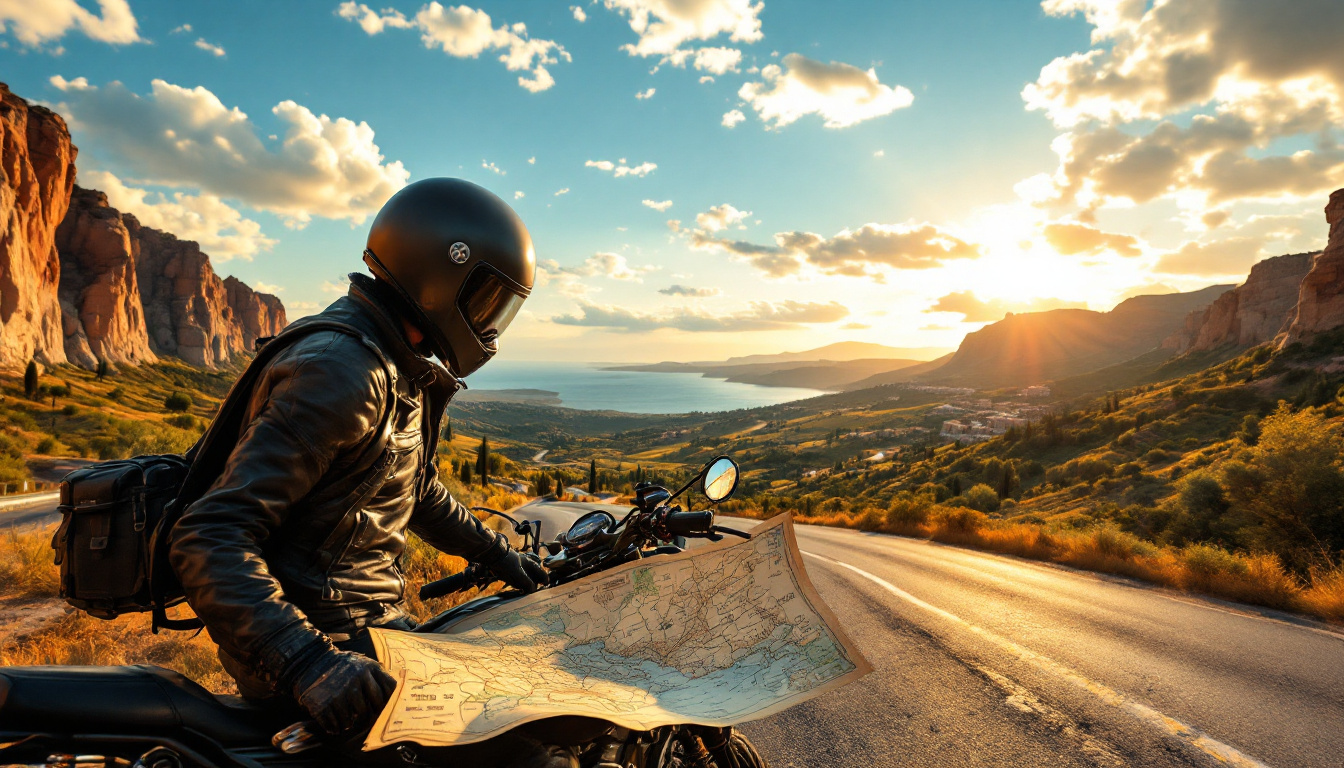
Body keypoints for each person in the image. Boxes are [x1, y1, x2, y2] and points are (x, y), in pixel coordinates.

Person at [169, 178, 548, 737]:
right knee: (533, 742)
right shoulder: (344, 371)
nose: (491, 325)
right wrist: (309, 663)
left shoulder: (392, 357)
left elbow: (410, 488)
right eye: (489, 300)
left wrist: (499, 557)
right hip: (326, 645)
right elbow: (209, 533)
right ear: (445, 276)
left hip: (362, 625)